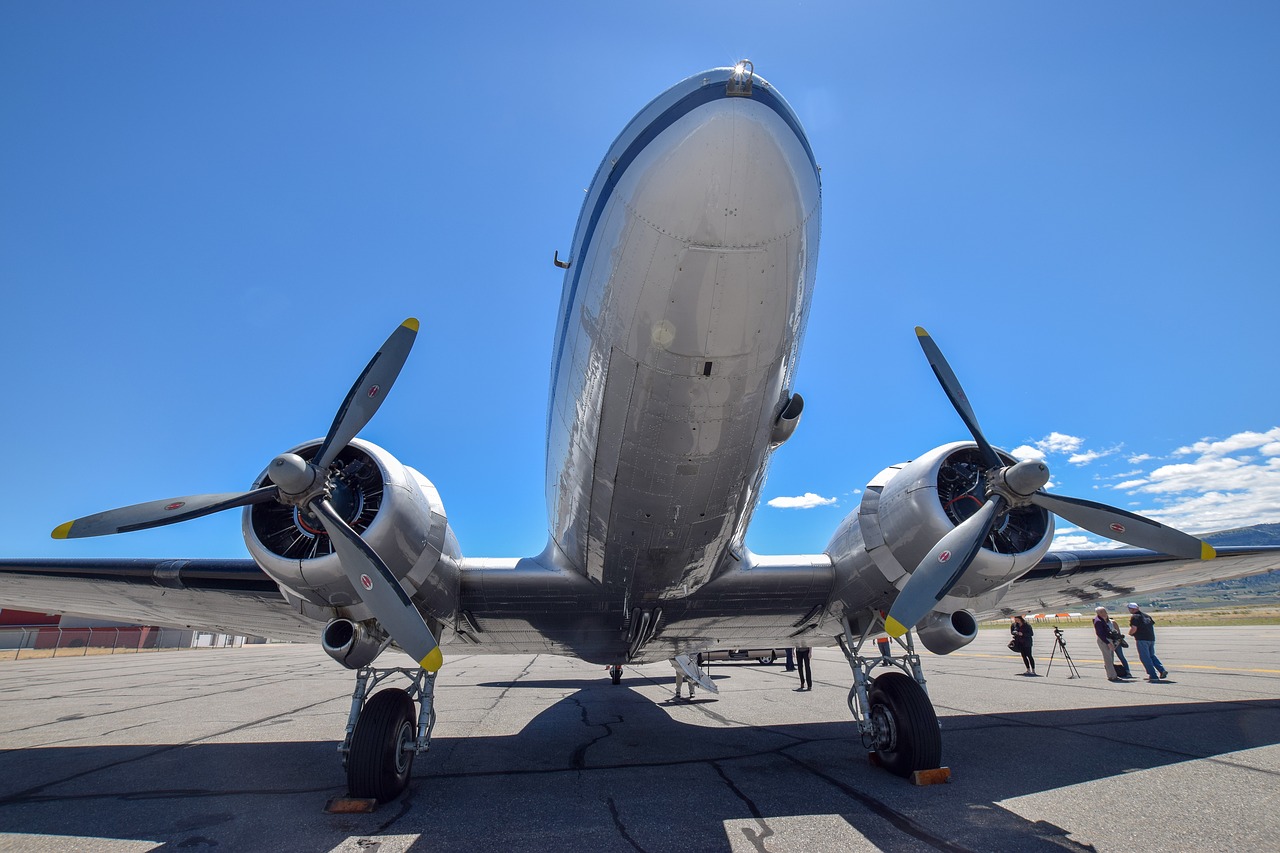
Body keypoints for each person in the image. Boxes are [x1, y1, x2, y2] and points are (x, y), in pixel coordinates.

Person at [1127, 602, 1168, 681]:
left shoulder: (1135, 617)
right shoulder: (1147, 616)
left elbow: (1134, 628)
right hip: (1151, 638)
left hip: (1142, 639)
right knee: (1151, 656)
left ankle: (1153, 675)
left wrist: (1130, 633)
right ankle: (1161, 670)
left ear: (1132, 609)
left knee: (1145, 657)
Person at [1093, 606, 1125, 682]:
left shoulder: (1102, 620)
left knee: (1110, 658)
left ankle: (1112, 675)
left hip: (1108, 639)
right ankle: (1112, 676)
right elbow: (1100, 633)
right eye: (1103, 612)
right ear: (1099, 613)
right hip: (1104, 640)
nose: (1105, 613)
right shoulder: (1098, 621)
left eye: (1105, 612)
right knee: (1108, 659)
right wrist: (1108, 643)